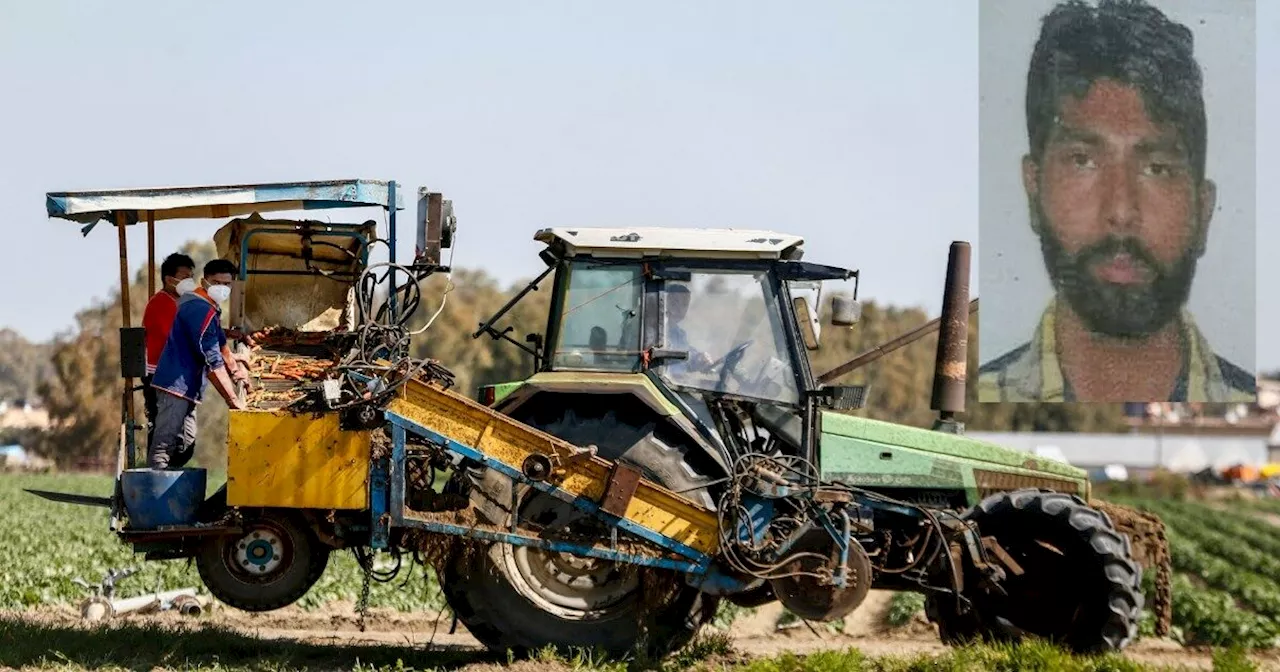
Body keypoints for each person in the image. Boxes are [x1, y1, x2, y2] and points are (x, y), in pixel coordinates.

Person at [977, 0, 1256, 403]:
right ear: (1033, 190)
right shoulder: (986, 396)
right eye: (1083, 161)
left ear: (1203, 210)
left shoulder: (1254, 406)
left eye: (1157, 168)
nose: (1122, 212)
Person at [148, 259, 250, 471]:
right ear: (204, 281)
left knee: (185, 443)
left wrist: (235, 370)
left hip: (189, 386)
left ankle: (172, 481)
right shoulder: (198, 308)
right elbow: (211, 358)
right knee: (164, 446)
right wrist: (233, 400)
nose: (222, 288)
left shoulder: (208, 306)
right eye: (216, 282)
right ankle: (156, 492)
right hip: (175, 384)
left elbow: (220, 344)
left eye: (227, 284)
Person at [141, 253, 196, 450]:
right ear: (168, 279)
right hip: (163, 376)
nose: (189, 282)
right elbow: (175, 336)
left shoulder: (180, 303)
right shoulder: (162, 303)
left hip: (178, 375)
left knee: (183, 440)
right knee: (168, 436)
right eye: (184, 277)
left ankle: (164, 471)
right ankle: (157, 474)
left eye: (191, 277)